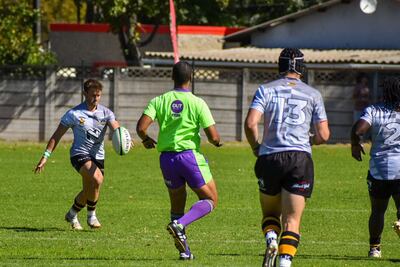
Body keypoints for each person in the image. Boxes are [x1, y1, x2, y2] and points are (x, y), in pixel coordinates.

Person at [244, 48, 330, 267]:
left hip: (270, 157)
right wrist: (308, 140)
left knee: (270, 213)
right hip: (300, 160)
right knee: (292, 220)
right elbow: (324, 135)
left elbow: (250, 123)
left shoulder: (265, 90)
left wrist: (256, 147)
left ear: (279, 66)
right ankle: (284, 263)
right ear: (302, 68)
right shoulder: (313, 94)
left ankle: (271, 239)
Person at [136, 61, 222, 260]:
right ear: (191, 78)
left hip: (167, 160)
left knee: (177, 207)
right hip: (189, 157)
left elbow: (141, 128)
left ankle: (185, 252)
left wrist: (147, 140)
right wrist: (217, 143)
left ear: (172, 77)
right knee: (211, 199)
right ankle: (180, 225)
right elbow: (213, 136)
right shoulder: (197, 102)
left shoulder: (159, 100)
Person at [34, 79, 120, 230]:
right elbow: (56, 136)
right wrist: (45, 157)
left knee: (90, 189)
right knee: (97, 179)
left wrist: (123, 137)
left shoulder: (106, 113)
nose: (96, 98)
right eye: (93, 95)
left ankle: (72, 213)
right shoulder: (74, 114)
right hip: (79, 154)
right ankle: (91, 216)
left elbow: (116, 129)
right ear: (85, 93)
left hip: (98, 156)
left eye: (98, 95)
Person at [351, 76, 400, 258]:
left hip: (379, 169)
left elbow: (358, 130)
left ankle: (375, 248)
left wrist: (355, 144)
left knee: (378, 211)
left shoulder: (374, 110)